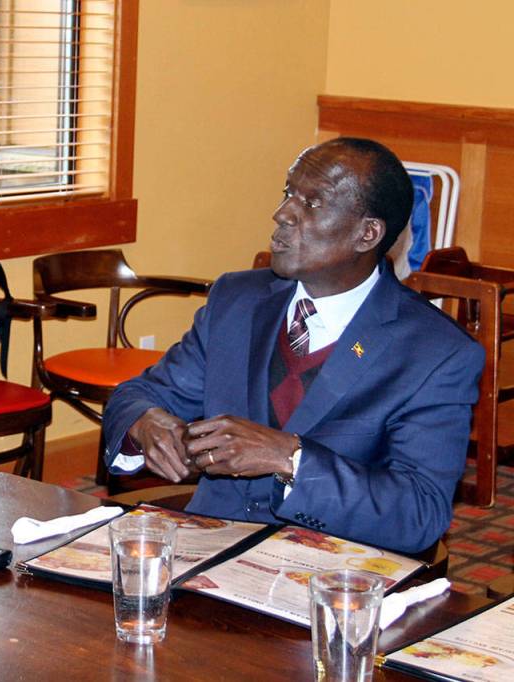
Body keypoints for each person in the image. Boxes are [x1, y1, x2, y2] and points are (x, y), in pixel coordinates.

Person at [102, 137, 484, 554]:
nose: (282, 213)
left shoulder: (436, 352)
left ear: (367, 233)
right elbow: (139, 395)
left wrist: (291, 459)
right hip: (208, 553)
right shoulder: (237, 299)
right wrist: (147, 423)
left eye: (313, 203)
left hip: (333, 571)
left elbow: (419, 512)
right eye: (289, 194)